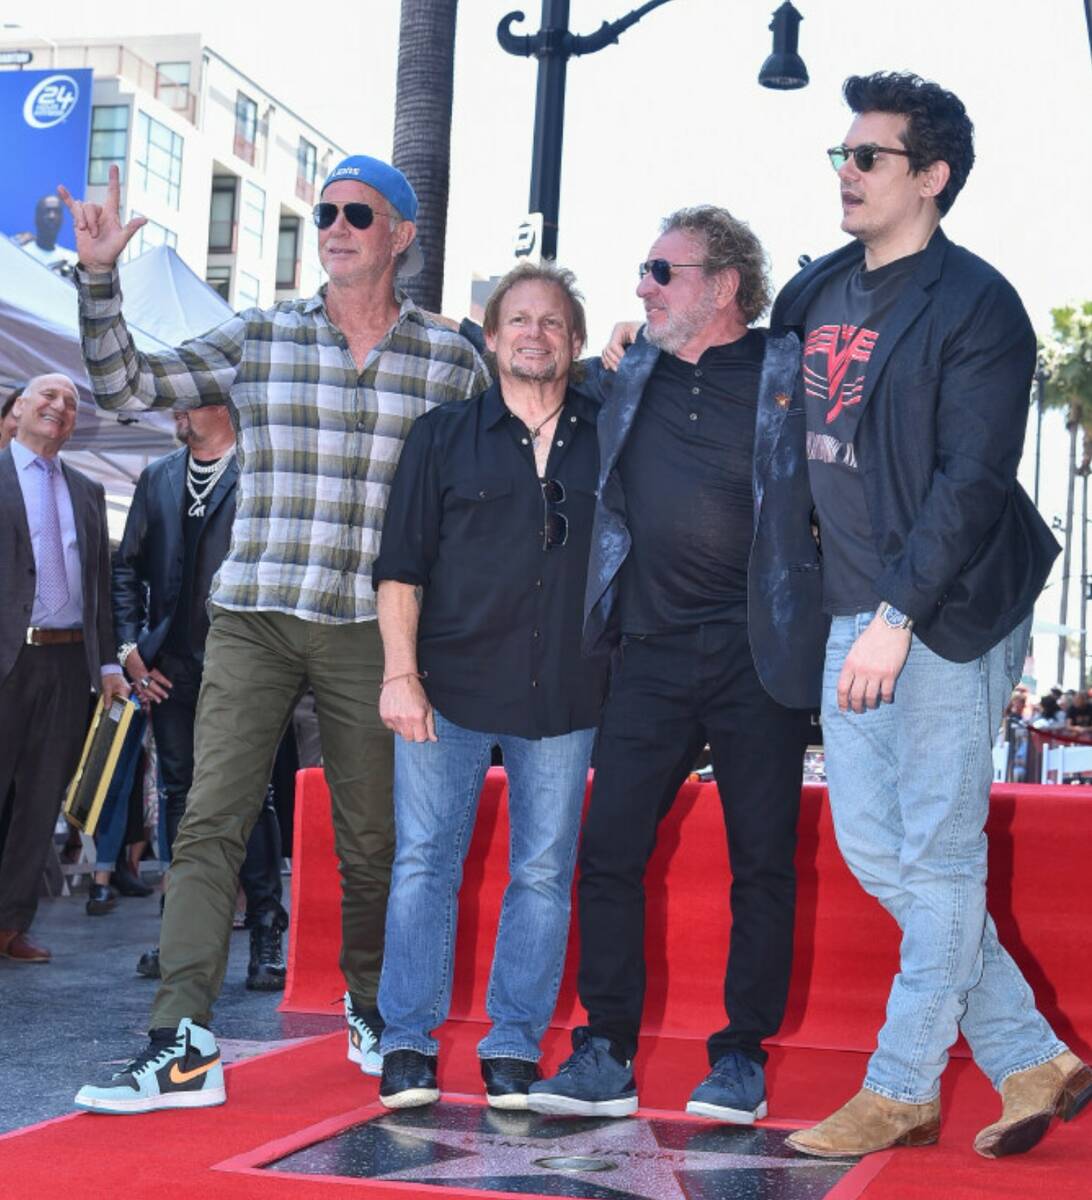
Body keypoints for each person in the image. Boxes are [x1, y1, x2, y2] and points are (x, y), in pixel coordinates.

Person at [63, 156, 489, 1114]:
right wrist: (97, 278)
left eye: (357, 213)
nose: (335, 226)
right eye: (325, 211)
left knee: (373, 837)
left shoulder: (451, 359)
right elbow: (128, 383)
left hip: (372, 631)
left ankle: (376, 1008)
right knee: (209, 818)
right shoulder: (260, 334)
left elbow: (483, 491)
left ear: (400, 235)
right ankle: (182, 1043)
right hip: (255, 614)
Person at [765, 71, 1088, 1161]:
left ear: (932, 177)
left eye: (871, 157)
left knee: (940, 861)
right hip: (847, 609)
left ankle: (900, 1085)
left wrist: (899, 614)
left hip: (939, 615)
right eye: (842, 156)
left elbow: (972, 479)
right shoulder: (813, 294)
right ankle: (1030, 1058)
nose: (847, 173)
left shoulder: (977, 306)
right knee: (874, 850)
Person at [528, 207, 824, 1123]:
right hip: (649, 653)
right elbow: (524, 372)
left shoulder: (791, 369)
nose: (643, 287)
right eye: (643, 272)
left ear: (725, 285)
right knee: (608, 852)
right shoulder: (622, 375)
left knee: (763, 863)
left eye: (663, 271)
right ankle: (605, 1050)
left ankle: (740, 1058)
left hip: (756, 653)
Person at [372, 263, 609, 1111]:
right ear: (493, 334)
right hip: (447, 689)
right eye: (519, 319)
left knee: (542, 873)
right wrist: (400, 675)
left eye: (552, 322)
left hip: (567, 694)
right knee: (423, 867)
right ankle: (405, 1041)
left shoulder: (612, 434)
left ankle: (513, 1044)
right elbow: (398, 568)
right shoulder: (440, 436)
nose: (534, 333)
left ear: (574, 341)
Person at [109, 403, 290, 989]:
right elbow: (126, 570)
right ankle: (180, 935)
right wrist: (130, 653)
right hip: (168, 669)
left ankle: (266, 931)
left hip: (246, 666)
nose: (174, 411)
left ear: (220, 405)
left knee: (250, 797)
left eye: (185, 401)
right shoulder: (159, 475)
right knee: (179, 796)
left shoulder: (264, 469)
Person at [0, 373, 129, 963]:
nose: (60, 407)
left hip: (67, 665)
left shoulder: (86, 490)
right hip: (8, 657)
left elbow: (98, 585)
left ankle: (9, 925)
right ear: (20, 407)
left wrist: (106, 662)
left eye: (71, 403)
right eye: (48, 397)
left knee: (41, 798)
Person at [12, 195, 78, 274]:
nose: (52, 216)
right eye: (47, 211)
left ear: (62, 220)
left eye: (57, 211)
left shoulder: (72, 261)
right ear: (36, 218)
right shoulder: (18, 253)